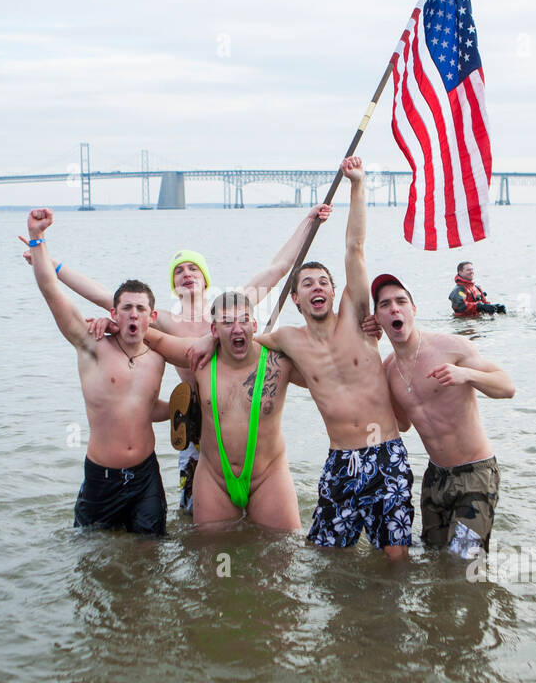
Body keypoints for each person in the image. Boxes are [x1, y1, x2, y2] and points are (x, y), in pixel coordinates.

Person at [22, 203, 331, 517]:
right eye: (179, 271)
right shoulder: (164, 322)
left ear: (205, 278)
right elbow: (106, 297)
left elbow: (278, 268)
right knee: (191, 515)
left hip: (242, 423)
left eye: (193, 268)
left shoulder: (231, 310)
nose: (187, 274)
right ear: (173, 285)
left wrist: (307, 221)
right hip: (198, 430)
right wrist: (49, 261)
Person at [189, 157, 412, 557]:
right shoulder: (286, 340)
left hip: (385, 454)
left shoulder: (358, 318)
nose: (317, 287)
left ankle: (386, 619)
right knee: (326, 558)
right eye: (307, 283)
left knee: (394, 559)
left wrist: (356, 185)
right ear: (295, 298)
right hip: (339, 460)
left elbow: (355, 248)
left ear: (334, 289)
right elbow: (238, 333)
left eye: (324, 281)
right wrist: (210, 341)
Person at [26, 208, 170, 536]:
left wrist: (185, 410)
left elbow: (146, 408)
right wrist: (37, 239)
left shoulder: (159, 355)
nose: (134, 314)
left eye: (141, 308)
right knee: (90, 562)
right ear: (113, 313)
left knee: (151, 557)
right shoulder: (91, 345)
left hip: (146, 477)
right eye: (126, 308)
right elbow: (52, 293)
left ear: (152, 316)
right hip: (101, 478)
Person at [132, 291, 305, 530]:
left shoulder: (280, 363)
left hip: (269, 475)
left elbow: (326, 371)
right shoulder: (200, 360)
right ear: (213, 330)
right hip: (214, 477)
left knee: (282, 553)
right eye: (227, 322)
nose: (237, 328)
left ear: (254, 325)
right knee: (212, 557)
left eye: (244, 320)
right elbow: (156, 340)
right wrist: (115, 324)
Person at [372, 274, 514, 558]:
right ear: (377, 318)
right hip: (435, 478)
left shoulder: (451, 347)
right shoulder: (387, 371)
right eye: (385, 305)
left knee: (465, 563)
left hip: (475, 473)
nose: (395, 309)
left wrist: (466, 374)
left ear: (414, 309)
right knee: (435, 560)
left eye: (401, 301)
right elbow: (403, 424)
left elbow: (507, 387)